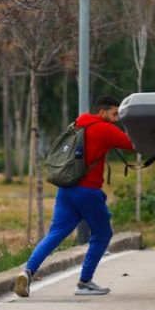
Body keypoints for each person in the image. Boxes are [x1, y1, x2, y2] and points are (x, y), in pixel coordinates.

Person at [15, 95, 135, 297]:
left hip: (66, 188)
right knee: (103, 234)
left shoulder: (78, 123)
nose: (116, 119)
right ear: (102, 112)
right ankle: (85, 281)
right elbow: (132, 144)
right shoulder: (104, 129)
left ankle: (28, 271)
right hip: (88, 192)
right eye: (115, 114)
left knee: (56, 233)